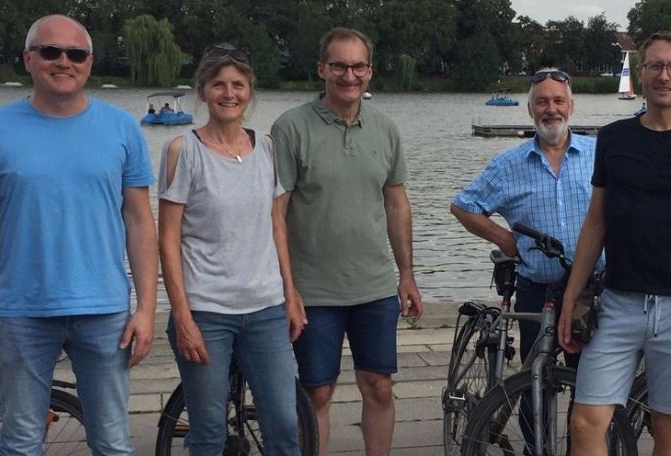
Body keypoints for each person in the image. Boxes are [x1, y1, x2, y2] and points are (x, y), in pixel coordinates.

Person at [0, 14, 157, 455]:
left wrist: (148, 307)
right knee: (20, 441)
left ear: (90, 62)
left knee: (113, 441)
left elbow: (139, 221)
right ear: (28, 59)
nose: (64, 62)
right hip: (20, 311)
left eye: (75, 54)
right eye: (50, 51)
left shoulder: (122, 129)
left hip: (104, 309)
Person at [558, 31, 671, 455]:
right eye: (655, 66)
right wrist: (573, 295)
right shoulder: (614, 139)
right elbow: (596, 223)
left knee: (668, 426)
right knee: (586, 421)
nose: (665, 75)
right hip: (619, 302)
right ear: (640, 73)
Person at [271, 27, 422, 456]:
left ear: (370, 72)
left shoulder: (386, 129)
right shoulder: (290, 128)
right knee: (316, 392)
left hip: (373, 286)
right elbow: (275, 214)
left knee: (378, 385)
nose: (348, 75)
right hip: (312, 289)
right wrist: (287, 288)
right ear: (322, 69)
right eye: (338, 65)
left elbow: (396, 204)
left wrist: (407, 274)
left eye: (357, 66)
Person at [158, 44, 306, 455]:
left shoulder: (268, 148)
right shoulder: (181, 151)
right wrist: (182, 316)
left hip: (265, 309)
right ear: (202, 91)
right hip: (207, 312)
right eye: (218, 85)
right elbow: (167, 239)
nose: (229, 93)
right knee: (207, 432)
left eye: (238, 85)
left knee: (284, 422)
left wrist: (290, 294)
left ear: (250, 91)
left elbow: (276, 224)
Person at [452, 67, 596, 368]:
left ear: (571, 106)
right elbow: (463, 206)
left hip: (592, 288)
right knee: (534, 379)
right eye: (542, 102)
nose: (551, 109)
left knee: (589, 384)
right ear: (530, 109)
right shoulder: (508, 165)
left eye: (558, 101)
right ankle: (533, 415)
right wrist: (505, 239)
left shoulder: (599, 154)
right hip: (537, 290)